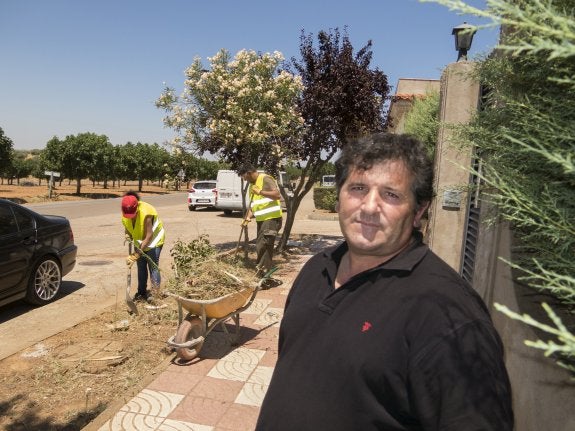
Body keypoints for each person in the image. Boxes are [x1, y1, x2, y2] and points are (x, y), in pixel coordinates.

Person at [256, 133, 514, 430]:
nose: (368, 206)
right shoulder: (317, 269)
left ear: (418, 211)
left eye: (391, 194)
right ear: (339, 197)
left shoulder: (449, 315)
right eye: (357, 188)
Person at [238, 163, 283, 277]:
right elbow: (253, 206)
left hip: (271, 219)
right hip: (262, 221)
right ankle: (263, 274)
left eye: (245, 177)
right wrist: (247, 217)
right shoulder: (253, 186)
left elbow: (277, 195)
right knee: (262, 247)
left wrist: (261, 192)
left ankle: (262, 275)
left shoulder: (265, 179)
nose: (245, 180)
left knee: (263, 246)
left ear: (249, 173)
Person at [121, 191, 165, 302]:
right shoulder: (126, 210)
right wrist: (127, 236)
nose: (130, 217)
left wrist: (136, 254)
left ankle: (155, 295)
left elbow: (149, 236)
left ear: (137, 207)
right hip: (140, 242)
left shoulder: (146, 213)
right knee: (141, 266)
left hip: (154, 241)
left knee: (153, 265)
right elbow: (127, 227)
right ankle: (141, 292)